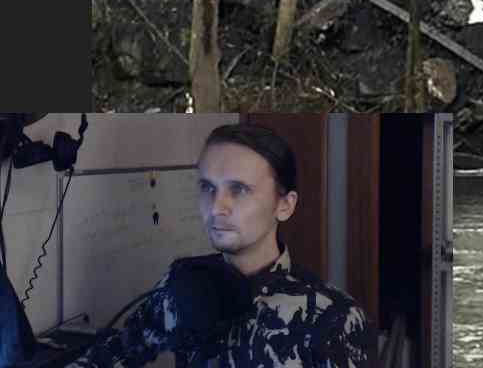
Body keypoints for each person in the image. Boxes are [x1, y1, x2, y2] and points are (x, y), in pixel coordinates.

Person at [76, 124, 376, 367]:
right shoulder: (183, 284)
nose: (216, 207)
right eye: (208, 187)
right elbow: (114, 354)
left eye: (239, 189)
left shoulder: (334, 317)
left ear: (284, 205)